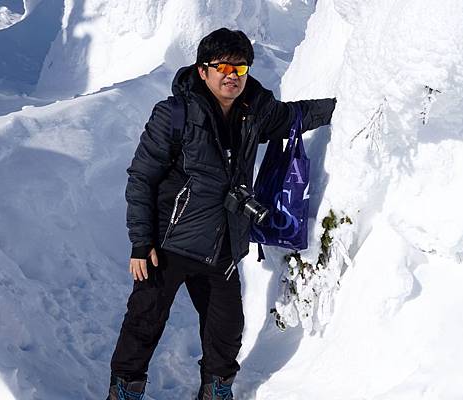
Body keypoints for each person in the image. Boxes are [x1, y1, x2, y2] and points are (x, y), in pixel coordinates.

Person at [107, 27, 336, 400]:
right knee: (144, 320)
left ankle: (215, 390)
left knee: (226, 329)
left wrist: (354, 101)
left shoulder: (257, 111)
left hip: (223, 245)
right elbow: (141, 178)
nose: (232, 75)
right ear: (203, 71)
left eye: (241, 68)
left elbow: (297, 115)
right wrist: (140, 241)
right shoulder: (174, 115)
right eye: (223, 67)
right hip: (168, 243)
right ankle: (125, 389)